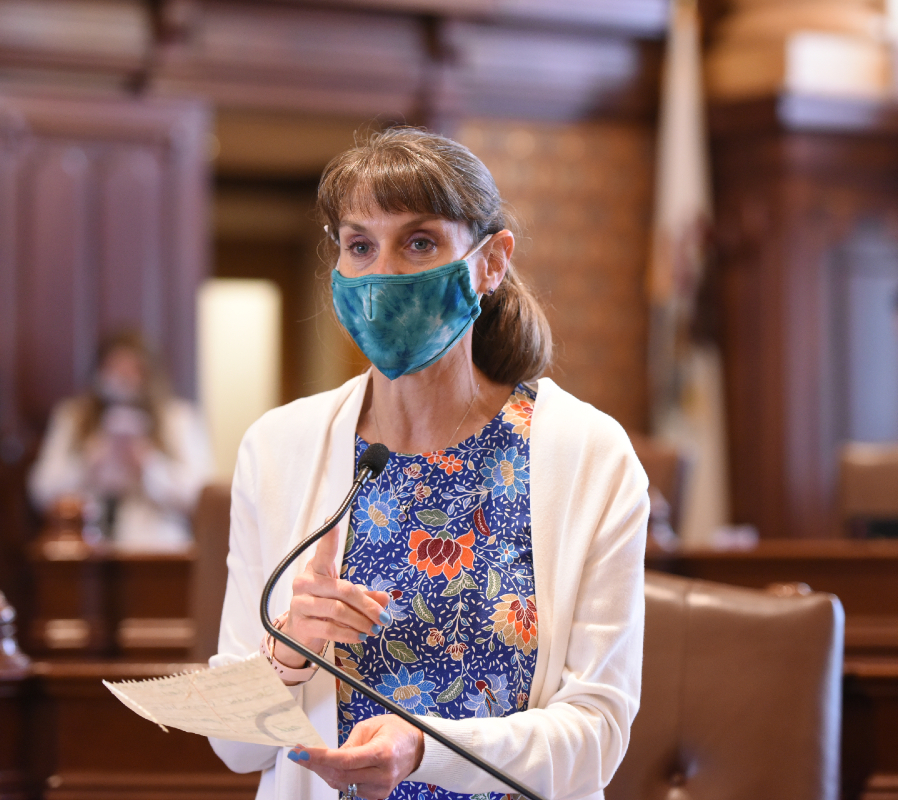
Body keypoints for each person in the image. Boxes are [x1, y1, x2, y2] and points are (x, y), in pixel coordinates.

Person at [209, 129, 650, 800]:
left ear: (491, 261)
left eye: (419, 243)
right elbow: (234, 749)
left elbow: (596, 737)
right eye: (360, 246)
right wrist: (289, 652)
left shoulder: (589, 454)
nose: (383, 273)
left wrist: (422, 748)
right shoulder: (277, 447)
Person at [28, 330, 213, 551]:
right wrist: (89, 461)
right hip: (84, 551)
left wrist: (148, 466)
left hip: (157, 549)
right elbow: (42, 491)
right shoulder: (73, 417)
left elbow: (202, 496)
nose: (123, 379)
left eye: (133, 370)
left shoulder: (178, 419)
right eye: (115, 368)